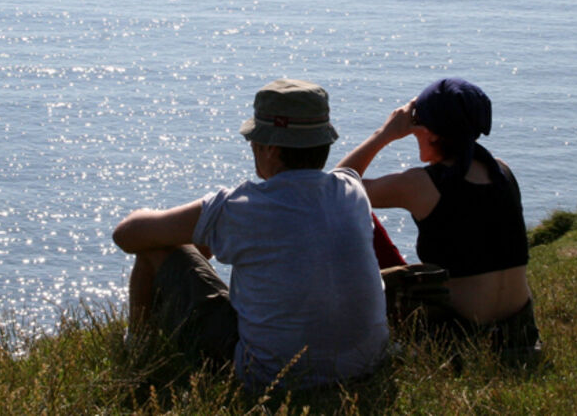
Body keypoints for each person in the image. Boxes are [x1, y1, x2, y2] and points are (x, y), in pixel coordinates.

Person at [112, 78, 389, 391]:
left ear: (270, 148)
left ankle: (137, 353)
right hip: (366, 365)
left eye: (254, 141)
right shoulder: (352, 191)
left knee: (154, 250)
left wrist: (196, 234)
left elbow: (127, 235)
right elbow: (336, 179)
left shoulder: (239, 208)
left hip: (270, 377)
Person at [336, 77, 541, 362]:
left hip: (462, 340)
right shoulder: (502, 173)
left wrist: (385, 133)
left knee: (360, 217)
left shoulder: (421, 185)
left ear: (430, 131)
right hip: (522, 335)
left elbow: (335, 190)